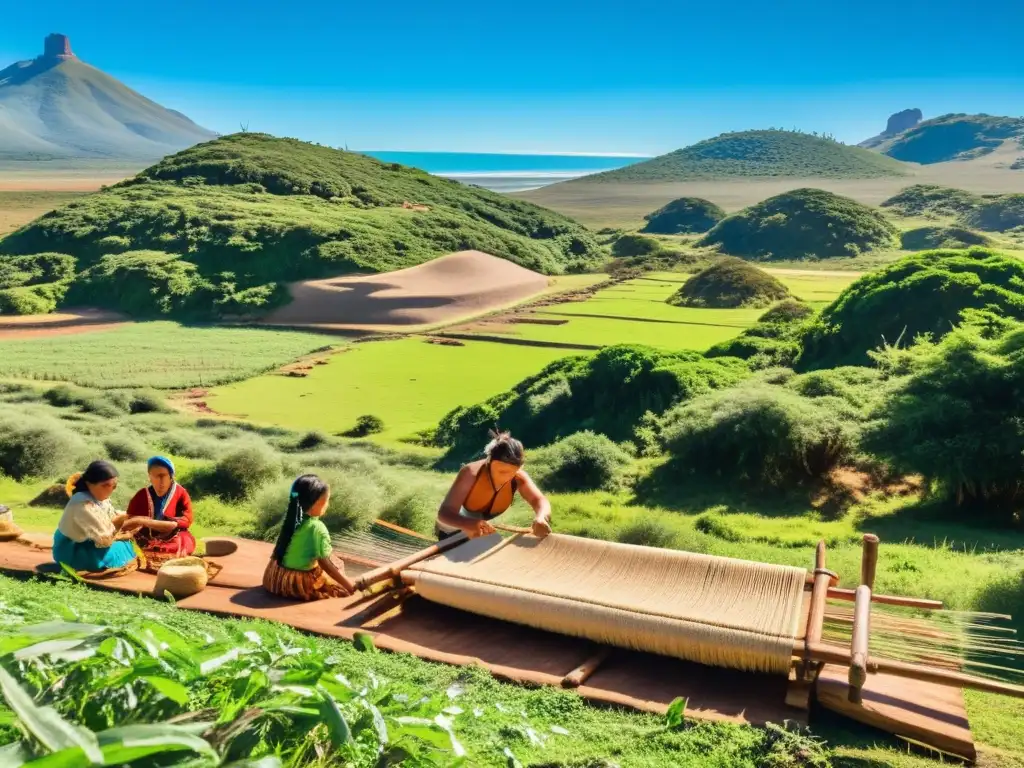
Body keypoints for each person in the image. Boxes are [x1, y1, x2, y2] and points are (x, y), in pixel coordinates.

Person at [435, 430, 552, 541]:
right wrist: (468, 524)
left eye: (512, 472)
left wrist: (541, 517)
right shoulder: (470, 473)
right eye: (501, 471)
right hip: (451, 529)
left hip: (482, 530)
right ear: (489, 461)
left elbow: (539, 500)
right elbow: (444, 514)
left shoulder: (518, 477)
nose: (506, 477)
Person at [263, 474, 356, 600]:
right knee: (338, 575)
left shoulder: (291, 517)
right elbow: (326, 565)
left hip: (274, 578)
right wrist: (349, 587)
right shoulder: (316, 528)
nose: (328, 504)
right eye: (326, 500)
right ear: (314, 503)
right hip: (295, 584)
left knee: (332, 560)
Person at [52, 460, 144, 573]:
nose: (110, 490)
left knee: (126, 544)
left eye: (113, 486)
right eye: (105, 485)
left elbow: (111, 515)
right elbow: (104, 539)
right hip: (71, 550)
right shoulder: (82, 503)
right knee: (122, 548)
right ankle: (86, 563)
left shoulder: (99, 498)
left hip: (88, 542)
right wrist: (125, 521)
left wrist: (129, 517)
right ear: (89, 483)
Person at [125, 456, 196, 568]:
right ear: (149, 477)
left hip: (173, 535)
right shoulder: (142, 494)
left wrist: (146, 521)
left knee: (184, 542)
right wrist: (138, 523)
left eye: (163, 476)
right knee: (128, 542)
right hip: (146, 536)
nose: (160, 481)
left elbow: (186, 519)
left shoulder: (181, 493)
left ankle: (157, 555)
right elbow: (130, 519)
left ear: (171, 476)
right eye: (155, 476)